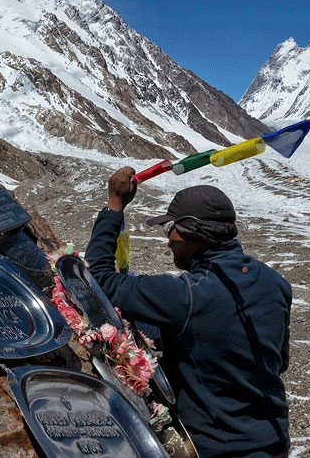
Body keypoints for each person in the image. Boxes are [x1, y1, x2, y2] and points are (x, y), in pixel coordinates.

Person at [88, 168, 291, 458]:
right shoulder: (275, 283)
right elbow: (278, 362)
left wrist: (115, 206)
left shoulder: (188, 295)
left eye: (170, 229)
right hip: (274, 444)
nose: (168, 239)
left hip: (218, 449)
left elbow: (99, 281)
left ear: (191, 231)